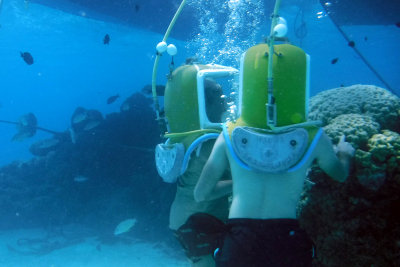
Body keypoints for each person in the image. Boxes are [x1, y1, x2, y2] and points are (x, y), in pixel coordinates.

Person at [194, 43, 355, 267]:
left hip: (239, 245)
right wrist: (345, 154)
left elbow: (201, 194)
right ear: (298, 82)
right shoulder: (314, 136)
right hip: (285, 242)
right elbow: (340, 175)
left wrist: (241, 183)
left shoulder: (229, 135)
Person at [155, 62, 235, 266]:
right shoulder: (208, 143)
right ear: (205, 104)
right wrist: (245, 181)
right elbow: (204, 192)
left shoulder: (190, 136)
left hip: (185, 219)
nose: (225, 99)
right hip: (199, 223)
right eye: (219, 95)